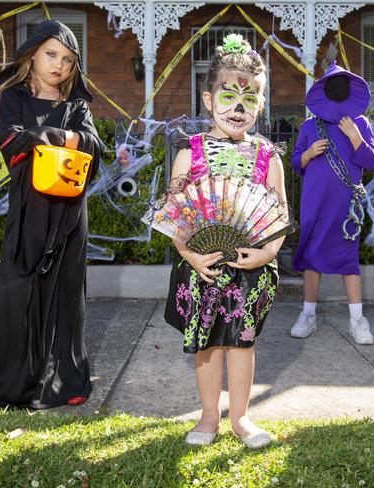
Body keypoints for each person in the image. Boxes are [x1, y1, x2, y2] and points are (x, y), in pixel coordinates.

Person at [163, 34, 287, 448]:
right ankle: (208, 416)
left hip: (251, 265)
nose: (239, 107)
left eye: (250, 98)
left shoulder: (269, 155)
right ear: (207, 98)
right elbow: (175, 216)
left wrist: (267, 253)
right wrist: (189, 254)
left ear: (261, 105)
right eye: (229, 94)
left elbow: (280, 215)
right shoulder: (190, 153)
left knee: (242, 343)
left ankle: (241, 417)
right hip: (204, 266)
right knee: (209, 344)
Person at [0, 20, 101, 409]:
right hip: (30, 210)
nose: (60, 65)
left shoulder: (77, 106)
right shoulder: (14, 97)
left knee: (66, 294)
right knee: (21, 290)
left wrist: (55, 138)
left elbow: (92, 147)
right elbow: (11, 143)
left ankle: (64, 383)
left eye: (68, 59)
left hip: (69, 213)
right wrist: (62, 137)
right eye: (52, 54)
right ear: (33, 53)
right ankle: (17, 385)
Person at [289, 61, 374, 344]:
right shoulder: (309, 126)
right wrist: (308, 153)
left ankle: (357, 320)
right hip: (314, 202)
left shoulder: (361, 124)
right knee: (311, 258)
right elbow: (295, 162)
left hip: (345, 205)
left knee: (348, 260)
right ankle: (308, 315)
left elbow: (370, 162)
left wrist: (355, 137)